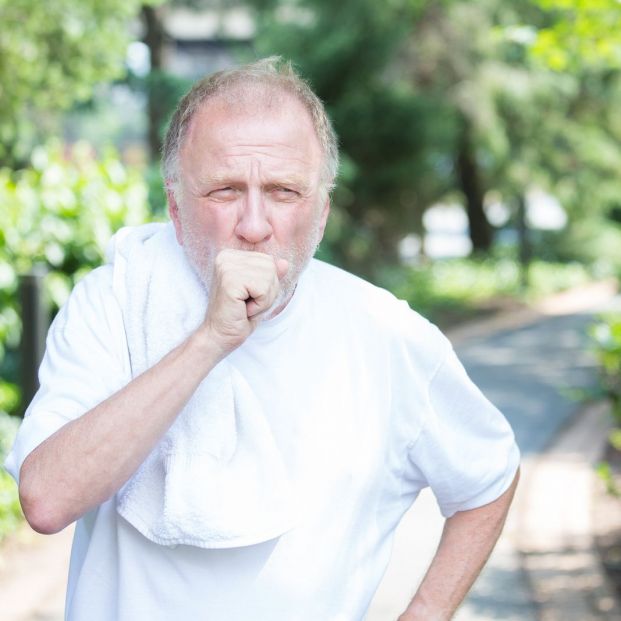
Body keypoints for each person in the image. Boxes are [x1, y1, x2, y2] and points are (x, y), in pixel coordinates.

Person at [5, 57, 520, 621]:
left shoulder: (386, 333)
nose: (253, 225)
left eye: (282, 191)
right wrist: (209, 340)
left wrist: (423, 613)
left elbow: (488, 477)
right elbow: (47, 499)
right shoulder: (116, 302)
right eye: (224, 190)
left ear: (321, 213)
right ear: (176, 209)